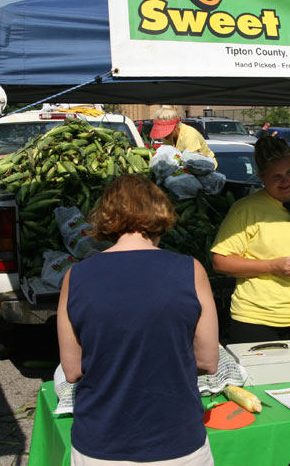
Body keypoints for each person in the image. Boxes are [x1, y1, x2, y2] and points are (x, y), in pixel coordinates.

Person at [57, 174, 219, 465]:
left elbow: (72, 369)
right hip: (178, 442)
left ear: (106, 215)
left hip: (100, 444)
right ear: (160, 212)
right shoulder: (190, 270)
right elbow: (208, 360)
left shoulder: (76, 276)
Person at [211, 135, 290, 343]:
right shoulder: (246, 210)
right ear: (261, 176)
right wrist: (271, 266)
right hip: (255, 319)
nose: (286, 181)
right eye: (276, 176)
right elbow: (220, 261)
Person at [150, 106, 216, 167]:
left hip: (205, 167)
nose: (164, 136)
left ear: (175, 127)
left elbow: (193, 161)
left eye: (165, 131)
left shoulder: (189, 134)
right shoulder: (166, 136)